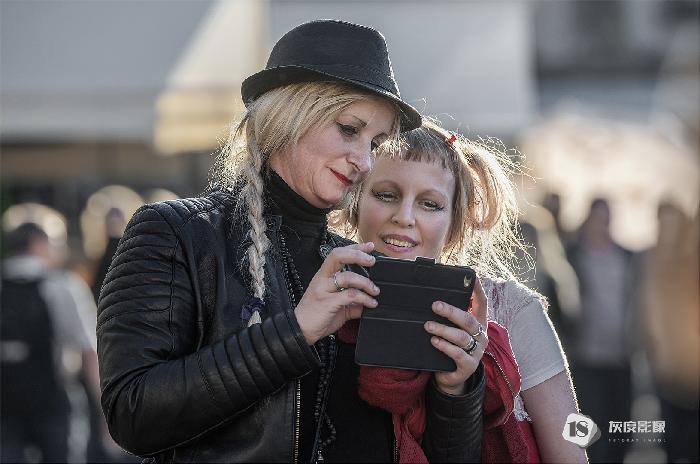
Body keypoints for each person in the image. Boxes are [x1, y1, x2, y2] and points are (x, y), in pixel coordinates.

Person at [97, 20, 485, 463]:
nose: (364, 161)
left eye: (376, 142)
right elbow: (131, 413)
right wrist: (296, 331)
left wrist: (457, 390)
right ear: (289, 116)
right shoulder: (177, 233)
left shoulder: (360, 263)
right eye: (349, 129)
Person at [334, 119, 587, 463]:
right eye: (386, 195)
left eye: (430, 204)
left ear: (455, 222)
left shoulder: (512, 311)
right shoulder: (324, 297)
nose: (404, 216)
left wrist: (458, 390)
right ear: (355, 203)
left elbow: (571, 454)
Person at [1, 221, 102, 463]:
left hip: (4, 401)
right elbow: (89, 350)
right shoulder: (63, 285)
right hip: (54, 398)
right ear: (39, 244)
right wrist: (106, 409)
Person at [567, 198, 640, 463]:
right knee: (587, 422)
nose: (601, 225)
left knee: (620, 422)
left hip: (621, 353)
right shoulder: (572, 255)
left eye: (606, 219)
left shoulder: (626, 256)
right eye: (597, 219)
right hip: (585, 355)